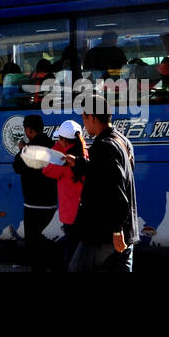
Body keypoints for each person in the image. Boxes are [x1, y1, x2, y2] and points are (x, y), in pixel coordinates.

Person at [65, 102, 138, 272]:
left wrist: (116, 230)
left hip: (103, 233)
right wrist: (79, 163)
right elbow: (106, 173)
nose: (84, 123)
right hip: (123, 230)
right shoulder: (122, 140)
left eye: (84, 118)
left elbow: (116, 188)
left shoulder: (104, 145)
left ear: (92, 117)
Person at [11, 114, 57, 272]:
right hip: (52, 204)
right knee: (50, 241)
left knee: (35, 244)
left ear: (29, 130)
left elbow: (17, 167)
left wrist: (23, 149)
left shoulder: (28, 149)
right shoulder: (53, 145)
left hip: (33, 206)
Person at [41, 120, 88, 272]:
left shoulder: (64, 159)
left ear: (62, 140)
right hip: (85, 212)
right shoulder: (84, 152)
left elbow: (47, 170)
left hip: (71, 214)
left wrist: (57, 149)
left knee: (72, 255)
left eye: (59, 139)